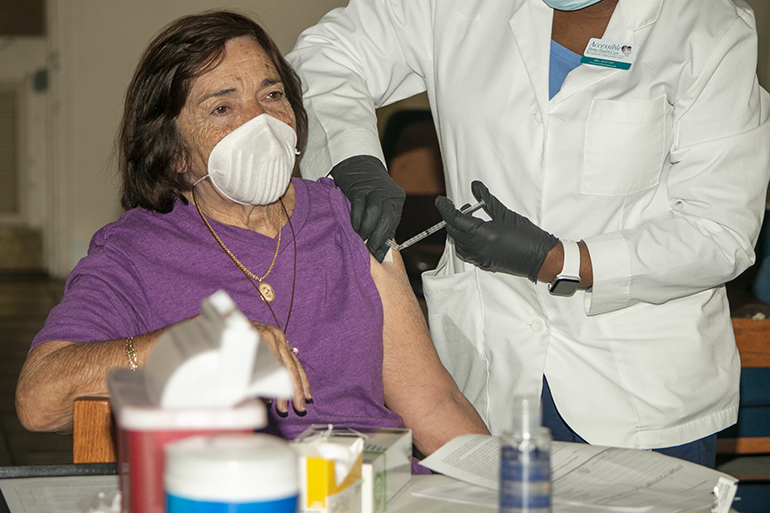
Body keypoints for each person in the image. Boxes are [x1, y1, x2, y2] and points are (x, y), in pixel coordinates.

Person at [286, 0, 770, 466]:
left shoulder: (710, 27)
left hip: (641, 393)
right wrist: (353, 158)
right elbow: (324, 56)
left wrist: (561, 260)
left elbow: (719, 230)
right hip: (484, 371)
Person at [14, 11, 489, 458]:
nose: (259, 120)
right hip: (232, 486)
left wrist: (518, 490)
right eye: (222, 106)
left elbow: (431, 404)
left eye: (273, 95)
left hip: (366, 485)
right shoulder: (136, 252)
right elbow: (39, 403)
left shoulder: (347, 217)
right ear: (172, 151)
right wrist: (185, 346)